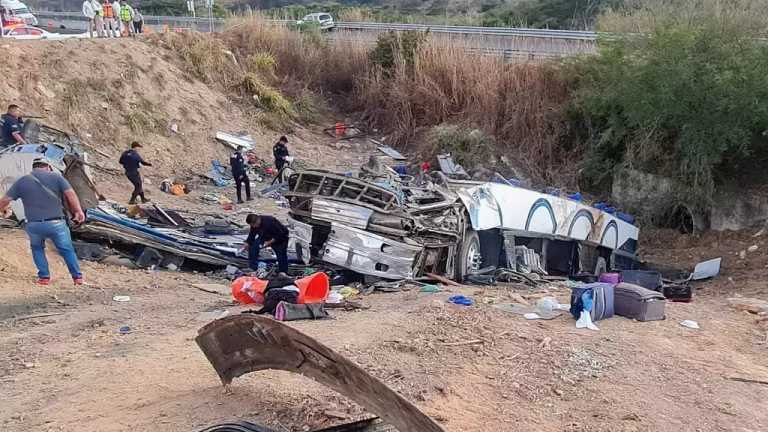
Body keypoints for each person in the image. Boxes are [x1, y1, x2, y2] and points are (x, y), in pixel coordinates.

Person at [0, 158, 86, 285]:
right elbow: (70, 194)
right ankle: (77, 278)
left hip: (34, 224)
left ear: (33, 167)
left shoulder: (23, 181)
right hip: (56, 223)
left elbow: (5, 200)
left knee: (37, 249)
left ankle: (44, 278)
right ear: (48, 166)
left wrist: (3, 210)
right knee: (67, 250)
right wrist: (78, 211)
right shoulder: (57, 178)